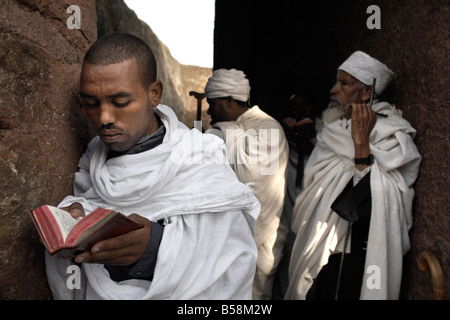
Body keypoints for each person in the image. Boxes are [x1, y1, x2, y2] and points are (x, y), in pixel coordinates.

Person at [44, 33, 260, 300]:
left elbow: (235, 261)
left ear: (154, 93)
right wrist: (76, 214)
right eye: (91, 103)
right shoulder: (92, 157)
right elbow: (89, 201)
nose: (104, 118)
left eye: (120, 102)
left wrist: (155, 248)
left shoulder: (199, 159)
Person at [285, 51, 421, 300]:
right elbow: (316, 181)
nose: (333, 89)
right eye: (336, 81)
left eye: (344, 83)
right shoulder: (333, 130)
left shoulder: (391, 133)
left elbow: (387, 198)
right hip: (320, 243)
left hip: (357, 249)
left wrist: (361, 147)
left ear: (366, 92)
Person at [204, 69, 289, 300]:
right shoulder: (234, 128)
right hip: (226, 240)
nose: (210, 111)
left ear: (229, 100)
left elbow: (256, 182)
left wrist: (225, 132)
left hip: (261, 240)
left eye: (213, 104)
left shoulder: (267, 127)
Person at [271, 92, 317, 299]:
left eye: (304, 105)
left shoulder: (323, 131)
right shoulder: (281, 131)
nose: (300, 111)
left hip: (309, 189)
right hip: (288, 187)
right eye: (295, 107)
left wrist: (310, 146)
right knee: (287, 247)